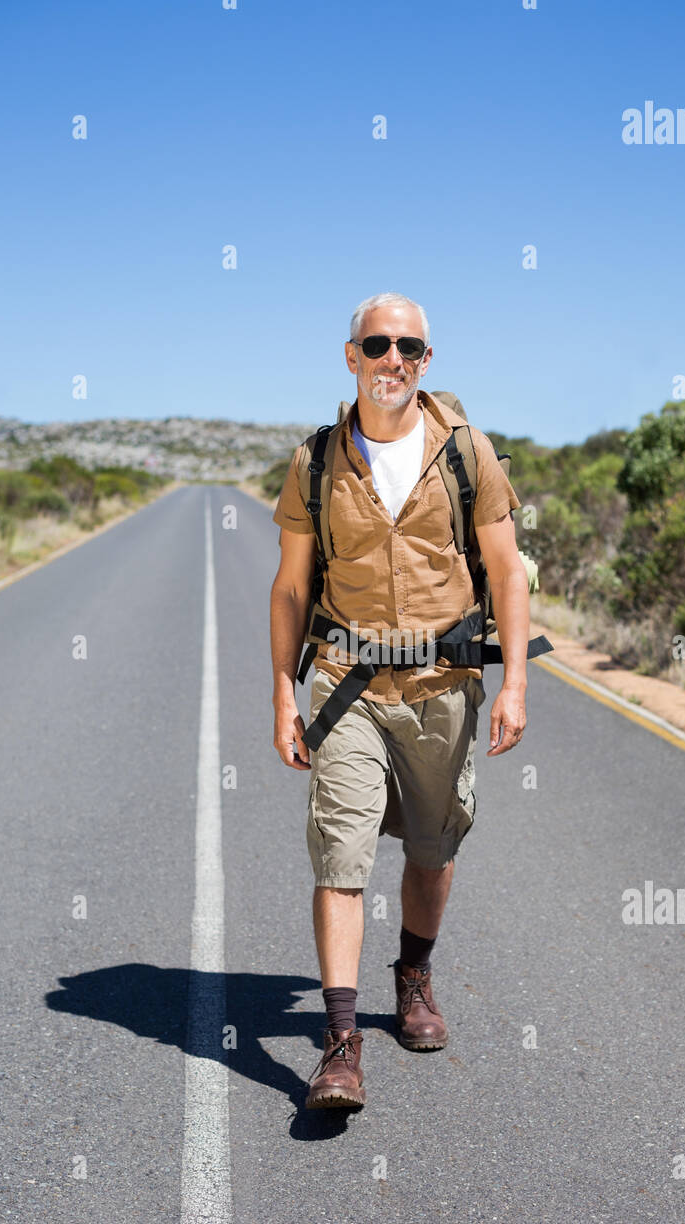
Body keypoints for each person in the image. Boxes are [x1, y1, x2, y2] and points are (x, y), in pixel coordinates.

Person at [270, 291, 529, 1109]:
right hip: (347, 683)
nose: (394, 360)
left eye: (409, 347)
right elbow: (289, 588)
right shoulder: (315, 462)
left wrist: (515, 681)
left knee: (431, 848)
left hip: (444, 687)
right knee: (341, 856)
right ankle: (340, 1043)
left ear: (426, 359)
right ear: (351, 357)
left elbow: (508, 569)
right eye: (378, 345)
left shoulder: (468, 453)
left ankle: (413, 975)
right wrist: (283, 691)